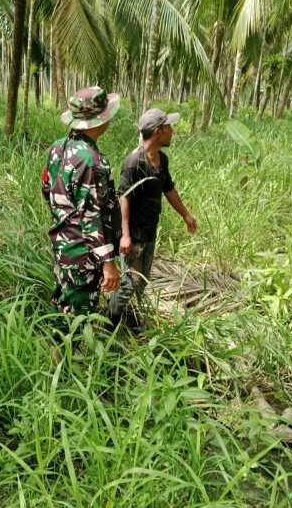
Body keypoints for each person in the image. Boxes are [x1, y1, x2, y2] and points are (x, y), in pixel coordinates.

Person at [42, 86, 122, 339]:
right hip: (83, 252)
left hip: (64, 242)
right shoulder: (93, 161)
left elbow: (47, 188)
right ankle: (62, 369)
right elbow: (92, 216)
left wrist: (64, 218)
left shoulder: (58, 147)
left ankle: (55, 359)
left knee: (64, 302)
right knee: (77, 315)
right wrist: (108, 263)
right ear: (102, 119)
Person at [108, 108, 197, 330]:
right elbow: (124, 198)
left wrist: (186, 215)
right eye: (169, 127)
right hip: (134, 234)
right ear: (158, 132)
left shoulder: (161, 160)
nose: (172, 131)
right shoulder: (133, 162)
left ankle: (129, 318)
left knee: (142, 280)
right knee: (129, 282)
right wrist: (126, 236)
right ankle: (109, 321)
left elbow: (168, 189)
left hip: (150, 230)